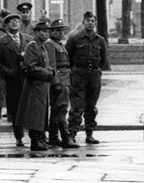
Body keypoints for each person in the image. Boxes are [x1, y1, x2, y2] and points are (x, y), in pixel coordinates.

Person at [66, 11, 108, 144]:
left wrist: (97, 71)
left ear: (95, 23)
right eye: (88, 21)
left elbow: (103, 60)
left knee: (91, 106)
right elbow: (68, 57)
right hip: (79, 75)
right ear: (83, 22)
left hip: (94, 76)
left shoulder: (100, 40)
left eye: (93, 21)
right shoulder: (75, 38)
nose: (90, 23)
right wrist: (74, 71)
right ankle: (71, 134)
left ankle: (89, 134)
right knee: (77, 106)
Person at [0, 13, 32, 147]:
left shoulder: (28, 39)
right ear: (6, 25)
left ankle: (35, 136)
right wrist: (9, 73)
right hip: (13, 81)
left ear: (20, 24)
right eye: (11, 22)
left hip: (28, 80)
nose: (14, 23)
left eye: (16, 21)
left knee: (31, 108)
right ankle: (19, 137)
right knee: (15, 110)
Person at [15, 20, 55, 151]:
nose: (46, 34)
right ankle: (35, 140)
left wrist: (50, 71)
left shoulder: (42, 46)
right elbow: (31, 66)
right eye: (43, 31)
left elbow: (44, 64)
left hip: (42, 85)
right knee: (35, 113)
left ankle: (41, 138)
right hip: (35, 84)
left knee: (42, 112)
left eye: (48, 32)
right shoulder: (32, 46)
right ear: (36, 32)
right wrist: (46, 73)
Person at [45, 19, 79, 149]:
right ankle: (66, 137)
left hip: (65, 78)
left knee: (56, 110)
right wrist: (56, 83)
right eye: (58, 30)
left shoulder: (58, 44)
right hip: (59, 79)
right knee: (61, 109)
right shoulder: (50, 44)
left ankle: (54, 137)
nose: (61, 32)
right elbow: (52, 65)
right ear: (51, 32)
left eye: (62, 30)